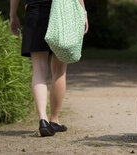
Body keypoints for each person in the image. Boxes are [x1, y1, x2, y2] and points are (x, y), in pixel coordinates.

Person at [9, 0, 88, 137]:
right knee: (59, 70)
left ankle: (43, 119)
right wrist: (83, 12)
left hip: (35, 10)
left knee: (39, 70)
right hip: (62, 11)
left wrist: (13, 15)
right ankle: (54, 120)